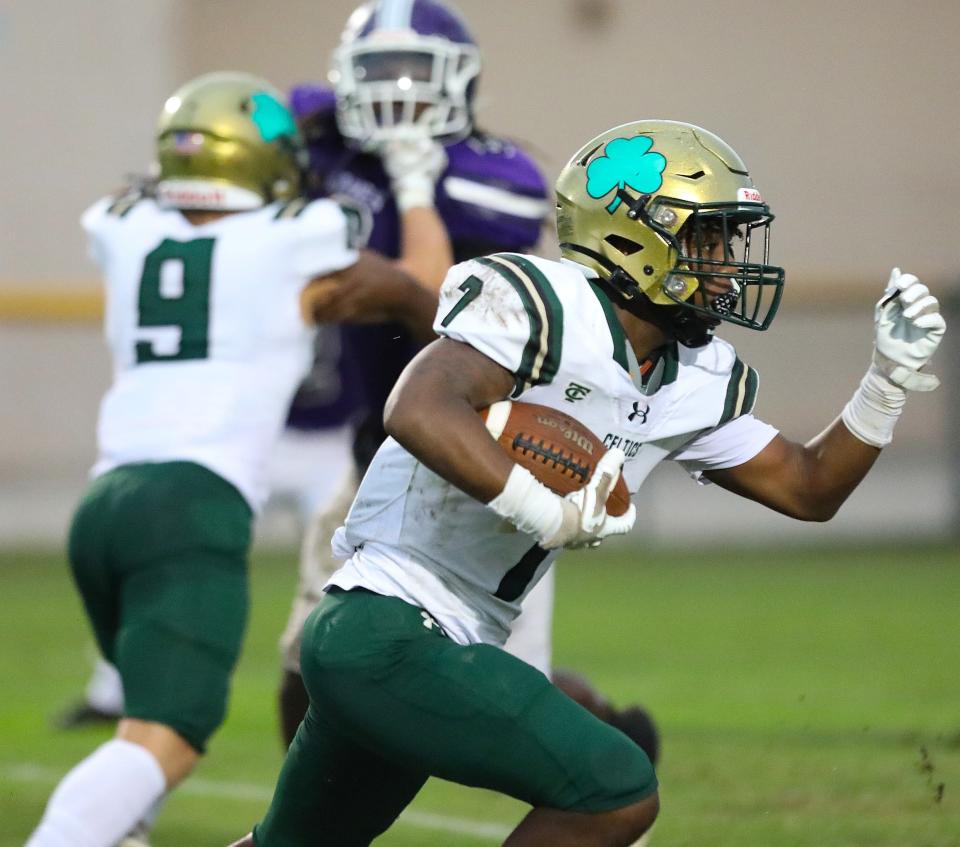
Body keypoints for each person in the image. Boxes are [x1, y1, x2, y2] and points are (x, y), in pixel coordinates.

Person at [227, 118, 945, 847]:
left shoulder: (693, 373)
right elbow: (416, 406)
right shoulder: (547, 302)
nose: (728, 265)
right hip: (387, 625)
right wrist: (543, 507)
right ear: (633, 236)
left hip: (429, 634)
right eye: (707, 240)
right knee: (614, 789)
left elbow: (808, 487)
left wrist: (884, 385)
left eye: (730, 241)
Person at [26, 69, 451, 847]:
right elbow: (422, 285)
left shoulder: (122, 221)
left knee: (138, 726)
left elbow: (148, 205)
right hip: (190, 504)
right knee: (167, 737)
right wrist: (414, 183)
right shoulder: (300, 232)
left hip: (106, 503)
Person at [275, 0, 659, 766]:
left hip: (483, 445)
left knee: (510, 686)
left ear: (460, 81)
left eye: (415, 72)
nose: (396, 92)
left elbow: (461, 322)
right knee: (310, 658)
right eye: (377, 71)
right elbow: (288, 109)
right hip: (377, 443)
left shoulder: (496, 177)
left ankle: (613, 740)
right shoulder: (334, 148)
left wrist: (408, 217)